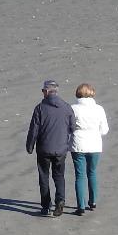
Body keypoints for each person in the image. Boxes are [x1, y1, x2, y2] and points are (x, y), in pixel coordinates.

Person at [25, 80, 74, 216]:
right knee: (59, 176)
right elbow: (72, 127)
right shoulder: (66, 107)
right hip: (61, 149)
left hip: (44, 149)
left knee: (44, 176)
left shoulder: (40, 108)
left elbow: (33, 130)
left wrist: (30, 146)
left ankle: (46, 205)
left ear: (47, 92)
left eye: (43, 91)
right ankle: (60, 201)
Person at [69, 83, 110, 215]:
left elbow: (69, 127)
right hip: (95, 144)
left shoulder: (73, 108)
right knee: (92, 173)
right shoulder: (99, 109)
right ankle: (92, 202)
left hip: (78, 144)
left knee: (80, 175)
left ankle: (81, 206)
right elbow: (104, 130)